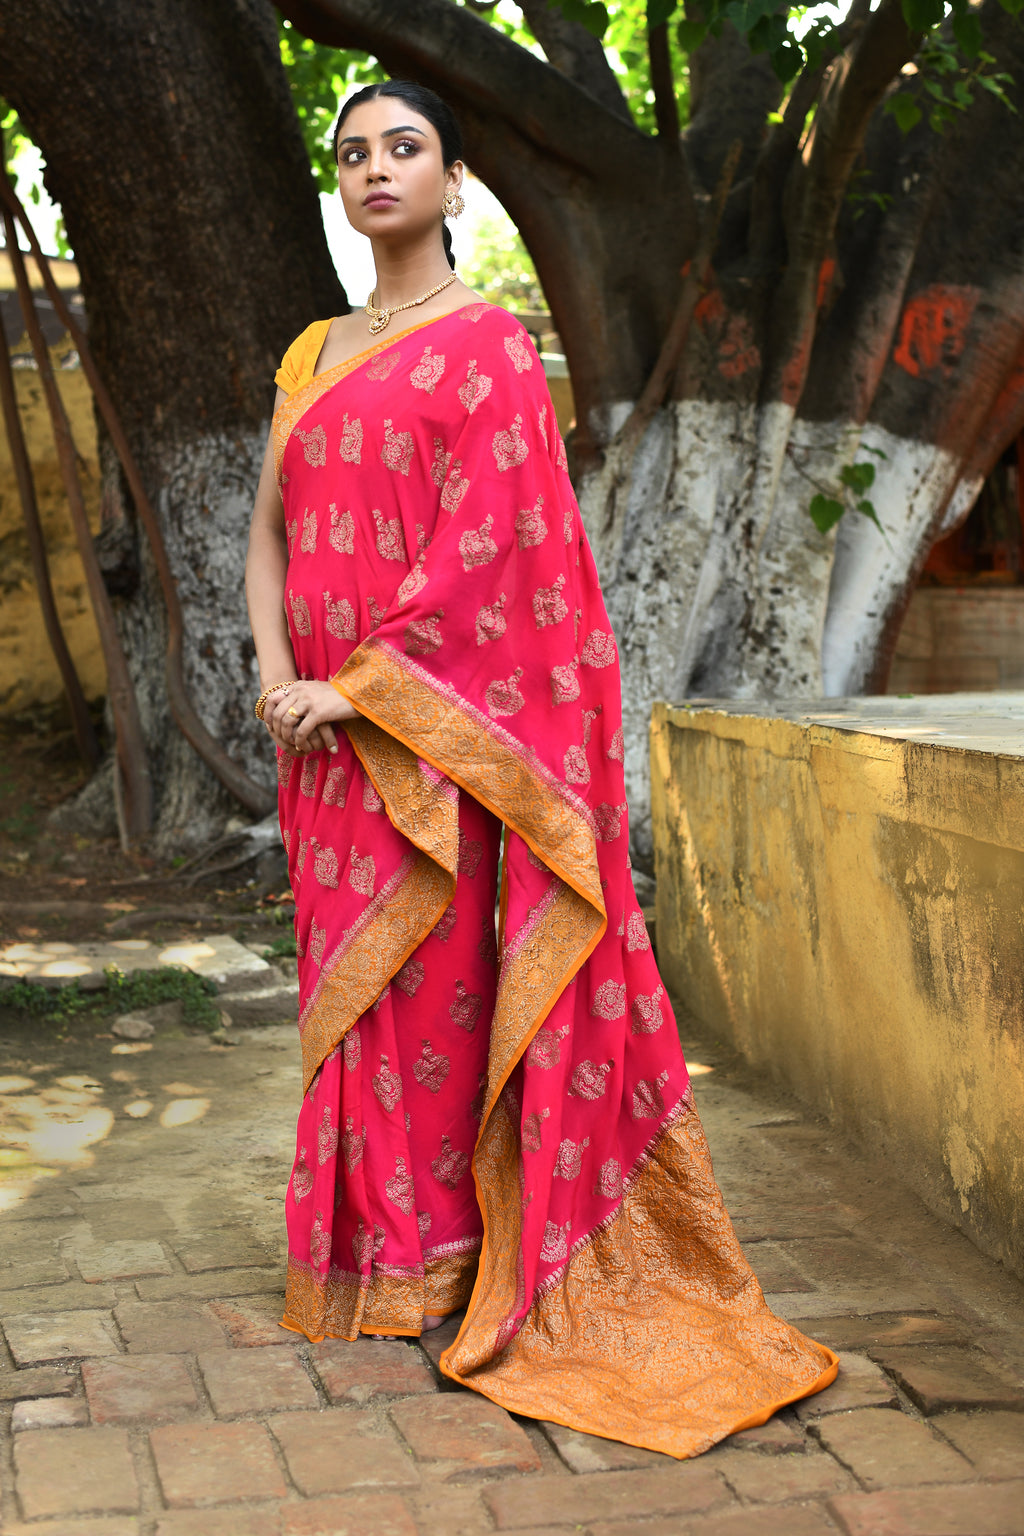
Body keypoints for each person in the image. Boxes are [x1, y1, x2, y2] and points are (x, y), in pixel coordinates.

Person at [245, 78, 837, 1458]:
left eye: (406, 149)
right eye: (353, 153)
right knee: (354, 1009)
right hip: (317, 741)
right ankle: (368, 1260)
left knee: (437, 998)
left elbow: (500, 566)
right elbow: (271, 528)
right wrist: (278, 674)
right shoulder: (312, 352)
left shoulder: (490, 346)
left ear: (454, 185)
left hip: (429, 742)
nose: (376, 168)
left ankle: (455, 1261)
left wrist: (362, 687)